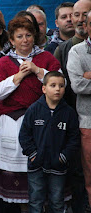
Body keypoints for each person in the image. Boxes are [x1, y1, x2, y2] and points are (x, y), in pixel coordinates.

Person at [0, 16, 61, 212]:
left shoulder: (46, 58)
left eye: (28, 35)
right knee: (21, 190)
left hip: (44, 124)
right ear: (11, 40)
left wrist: (38, 70)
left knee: (45, 184)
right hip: (13, 126)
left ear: (34, 37)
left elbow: (60, 82)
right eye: (19, 36)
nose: (25, 40)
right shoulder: (4, 62)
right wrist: (19, 75)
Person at [19, 71, 80, 213]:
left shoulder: (69, 113)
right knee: (35, 201)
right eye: (53, 85)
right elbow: (24, 135)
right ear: (44, 88)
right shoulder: (33, 110)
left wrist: (63, 157)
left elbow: (74, 139)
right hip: (36, 165)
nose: (58, 89)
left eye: (61, 86)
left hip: (58, 166)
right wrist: (33, 154)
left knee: (57, 201)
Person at [67, 10, 91, 207]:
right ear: (87, 27)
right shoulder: (76, 51)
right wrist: (83, 77)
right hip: (88, 123)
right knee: (90, 175)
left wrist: (89, 75)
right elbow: (77, 85)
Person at [54, 0, 91, 110]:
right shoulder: (62, 50)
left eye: (85, 14)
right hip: (73, 113)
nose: (80, 20)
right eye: (76, 15)